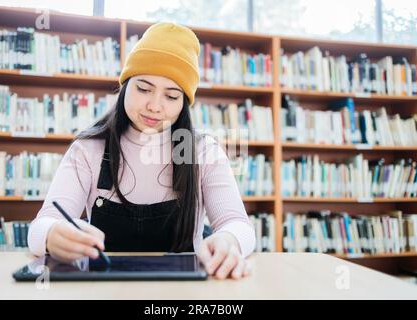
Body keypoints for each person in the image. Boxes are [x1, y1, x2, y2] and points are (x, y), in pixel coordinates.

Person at [28, 22, 256, 280]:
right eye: (144, 88)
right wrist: (51, 234)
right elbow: (39, 227)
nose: (155, 106)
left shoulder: (203, 152)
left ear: (184, 104)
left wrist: (229, 239)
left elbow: (240, 226)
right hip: (103, 291)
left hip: (183, 293)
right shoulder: (88, 149)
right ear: (125, 85)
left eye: (171, 96)